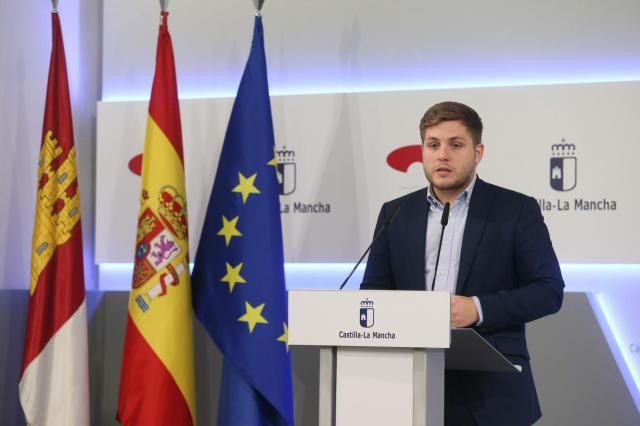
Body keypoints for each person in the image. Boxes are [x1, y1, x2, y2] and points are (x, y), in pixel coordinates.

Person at [360, 101, 564, 426]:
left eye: (456, 145)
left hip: (491, 393)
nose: (443, 155)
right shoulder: (395, 213)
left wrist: (478, 309)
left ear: (477, 152)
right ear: (422, 150)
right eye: (433, 145)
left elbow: (549, 291)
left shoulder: (515, 210)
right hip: (409, 387)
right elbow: (373, 291)